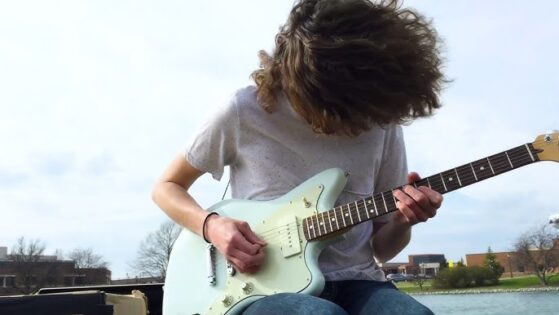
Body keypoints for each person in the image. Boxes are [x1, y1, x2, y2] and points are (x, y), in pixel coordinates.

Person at [152, 0, 446, 314]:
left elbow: (383, 249)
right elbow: (166, 187)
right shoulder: (243, 111)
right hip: (261, 289)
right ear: (307, 82)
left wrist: (402, 221)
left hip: (359, 281)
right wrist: (212, 226)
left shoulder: (381, 120)